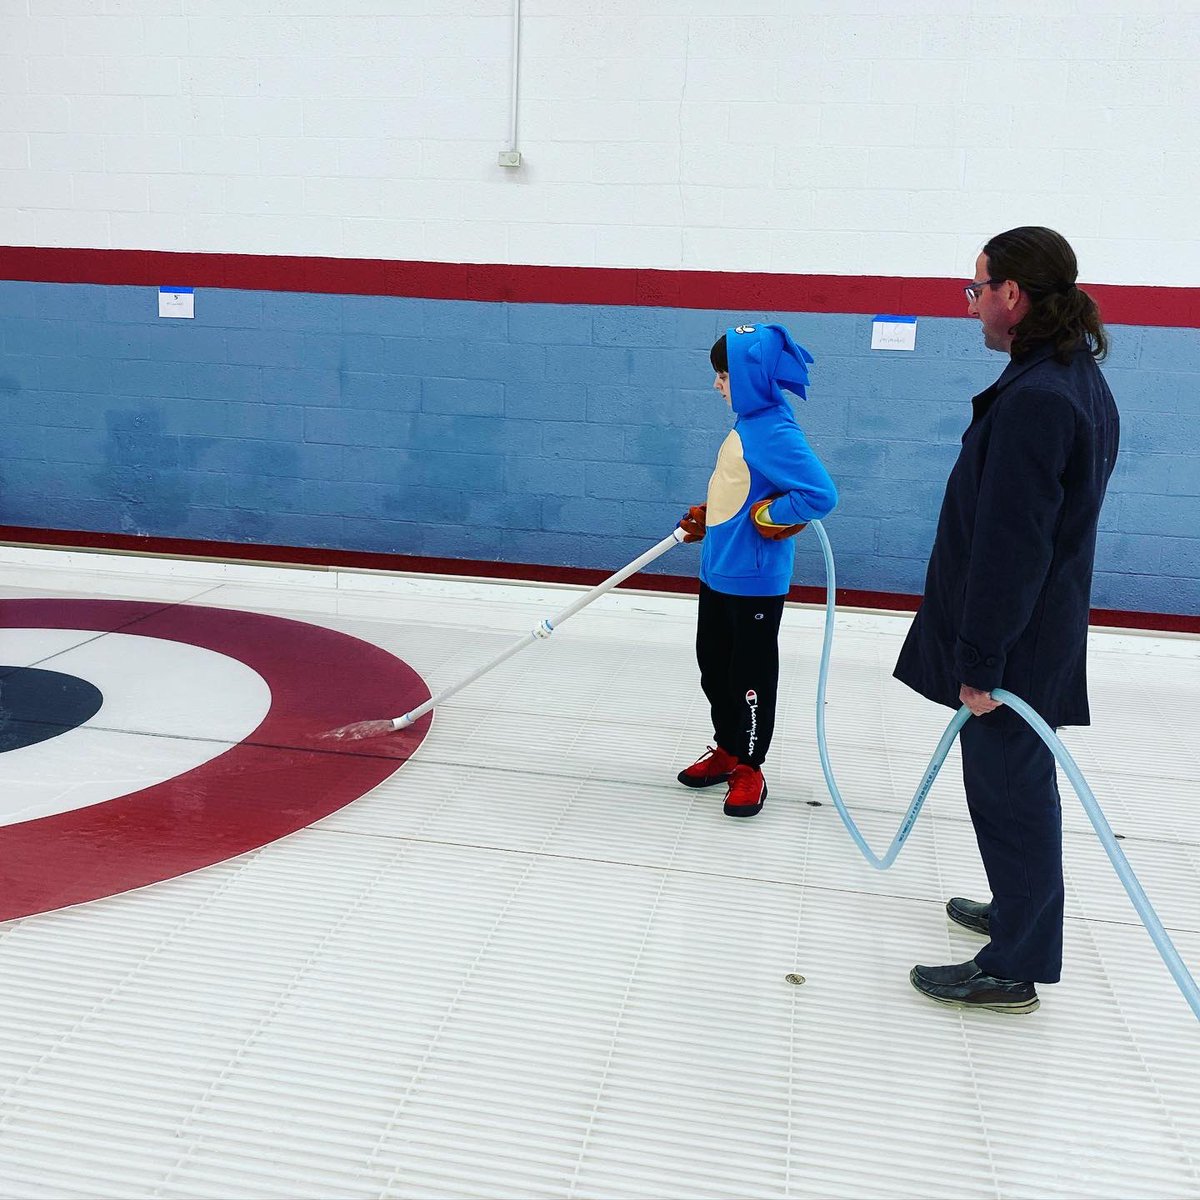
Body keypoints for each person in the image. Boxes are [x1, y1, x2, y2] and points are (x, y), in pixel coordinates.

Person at [895, 226, 1120, 1013]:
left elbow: (1012, 549)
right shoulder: (1073, 376)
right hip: (1038, 629)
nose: (972, 303)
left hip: (1016, 643)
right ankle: (1018, 907)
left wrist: (981, 661)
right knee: (1013, 784)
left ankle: (1016, 962)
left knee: (1011, 791)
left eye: (977, 288)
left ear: (1012, 297)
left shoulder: (1039, 400)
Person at [676, 323, 838, 817]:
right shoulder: (749, 425)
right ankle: (727, 749)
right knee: (714, 667)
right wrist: (713, 513)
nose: (717, 384)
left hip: (754, 584)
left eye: (722, 375)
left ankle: (750, 767)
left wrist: (773, 517)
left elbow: (820, 494)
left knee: (748, 676)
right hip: (718, 572)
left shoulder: (774, 430)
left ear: (747, 377)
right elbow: (743, 483)